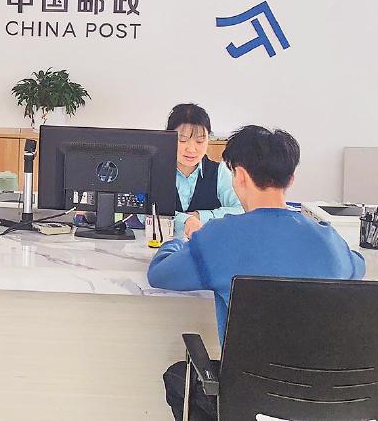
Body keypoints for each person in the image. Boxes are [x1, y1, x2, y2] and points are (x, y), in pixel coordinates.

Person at [147, 125, 365, 421]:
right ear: (290, 179)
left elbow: (160, 274)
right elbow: (358, 265)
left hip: (249, 399)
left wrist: (181, 240)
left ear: (239, 176)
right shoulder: (328, 240)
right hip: (328, 400)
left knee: (179, 377)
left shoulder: (219, 238)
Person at [166, 104, 243, 240]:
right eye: (182, 140)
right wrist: (185, 220)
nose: (191, 149)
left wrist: (200, 216)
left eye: (200, 141)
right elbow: (145, 213)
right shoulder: (157, 170)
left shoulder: (220, 171)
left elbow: (241, 210)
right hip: (157, 245)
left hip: (209, 245)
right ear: (168, 137)